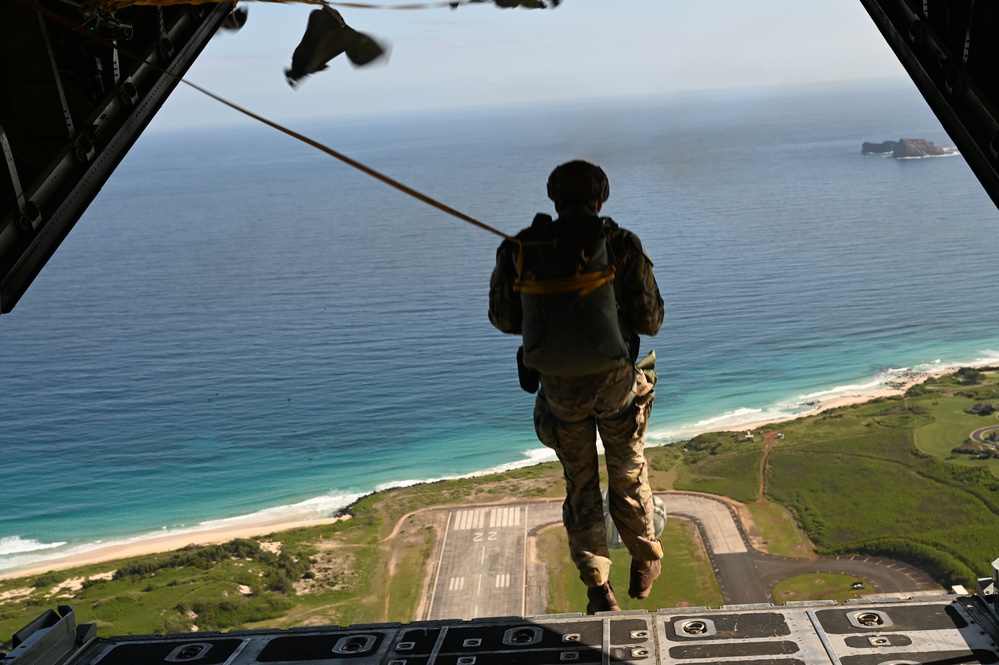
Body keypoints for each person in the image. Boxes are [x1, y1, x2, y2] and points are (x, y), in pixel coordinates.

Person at [488, 160, 664, 614]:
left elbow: (504, 319)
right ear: (600, 199)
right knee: (628, 472)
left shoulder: (521, 247)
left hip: (560, 390)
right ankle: (644, 558)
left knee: (580, 484)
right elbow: (651, 320)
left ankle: (596, 585)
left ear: (553, 199)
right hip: (615, 385)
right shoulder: (619, 243)